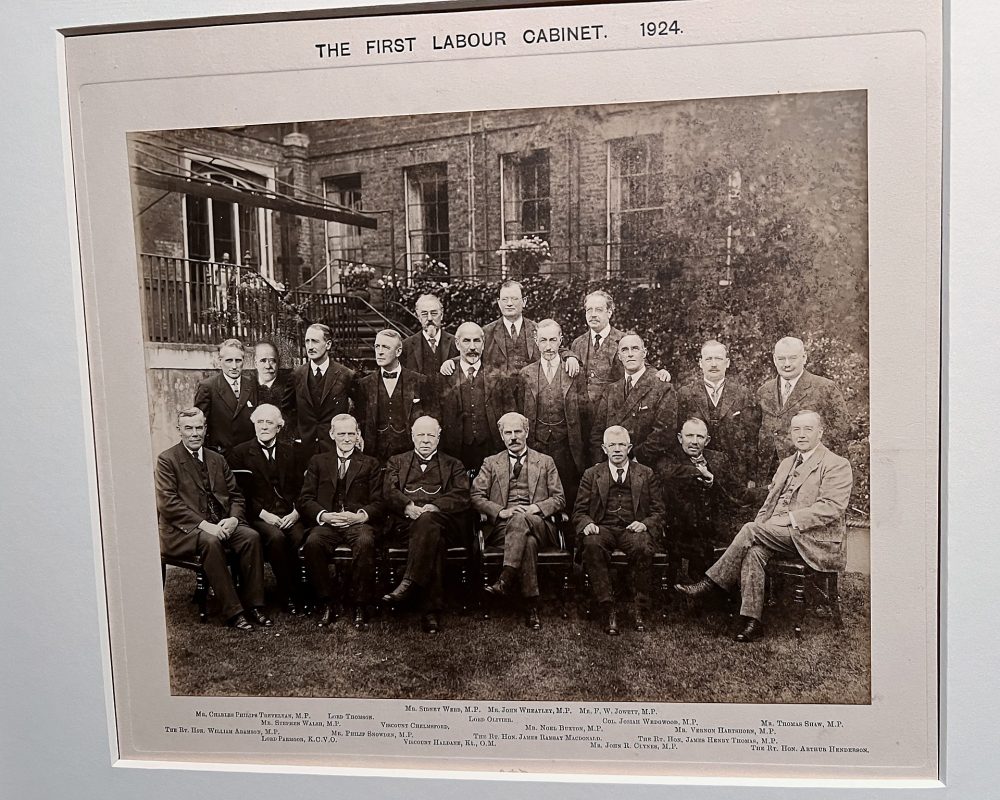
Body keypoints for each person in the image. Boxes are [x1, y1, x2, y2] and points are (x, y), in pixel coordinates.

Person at [676, 410, 853, 643]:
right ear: (790, 433)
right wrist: (764, 524)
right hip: (781, 535)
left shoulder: (836, 464)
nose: (801, 435)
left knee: (750, 530)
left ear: (820, 433)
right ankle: (752, 622)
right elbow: (768, 505)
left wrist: (788, 518)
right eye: (796, 429)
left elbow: (831, 508)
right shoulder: (787, 463)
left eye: (808, 429)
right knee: (754, 551)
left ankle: (710, 584)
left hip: (814, 539)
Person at [155, 408, 271, 630]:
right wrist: (206, 525)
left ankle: (255, 604)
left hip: (221, 523)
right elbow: (168, 504)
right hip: (183, 532)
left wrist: (234, 520)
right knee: (211, 541)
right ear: (179, 431)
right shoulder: (167, 460)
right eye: (189, 428)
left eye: (199, 427)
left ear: (206, 429)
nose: (195, 433)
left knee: (251, 537)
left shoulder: (217, 459)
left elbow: (236, 495)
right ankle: (233, 611)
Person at [472, 412, 565, 630]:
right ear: (502, 436)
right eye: (508, 433)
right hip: (502, 528)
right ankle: (531, 605)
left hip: (539, 524)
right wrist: (500, 511)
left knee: (522, 520)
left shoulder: (545, 461)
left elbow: (559, 498)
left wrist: (536, 508)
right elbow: (476, 496)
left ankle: (505, 578)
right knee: (528, 542)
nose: (513, 437)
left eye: (517, 432)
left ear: (527, 432)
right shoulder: (491, 463)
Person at [382, 416, 472, 634]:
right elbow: (388, 491)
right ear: (412, 436)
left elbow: (461, 495)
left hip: (442, 522)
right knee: (435, 543)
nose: (425, 440)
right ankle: (430, 612)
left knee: (430, 524)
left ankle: (409, 582)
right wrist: (407, 506)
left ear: (438, 437)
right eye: (420, 435)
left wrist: (435, 506)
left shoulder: (454, 464)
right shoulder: (397, 461)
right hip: (405, 526)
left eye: (430, 435)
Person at [574, 426, 665, 635]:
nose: (617, 449)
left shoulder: (645, 473)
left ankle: (639, 607)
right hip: (603, 527)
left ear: (629, 447)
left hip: (632, 528)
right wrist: (587, 523)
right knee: (592, 544)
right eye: (612, 445)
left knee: (643, 545)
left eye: (621, 445)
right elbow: (579, 511)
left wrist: (645, 524)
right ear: (604, 448)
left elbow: (659, 511)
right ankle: (608, 607)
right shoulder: (592, 474)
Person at [298, 414, 384, 630]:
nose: (347, 439)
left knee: (365, 542)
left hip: (357, 523)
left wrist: (360, 515)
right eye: (342, 434)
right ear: (332, 434)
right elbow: (305, 499)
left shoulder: (370, 463)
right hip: (328, 523)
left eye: (351, 434)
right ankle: (327, 601)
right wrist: (324, 515)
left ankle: (360, 604)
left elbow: (379, 501)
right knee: (313, 543)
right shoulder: (318, 461)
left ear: (358, 435)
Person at [227, 404, 308, 614]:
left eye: (269, 422)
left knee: (298, 535)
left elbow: (304, 488)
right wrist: (265, 515)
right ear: (254, 425)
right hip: (259, 515)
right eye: (260, 422)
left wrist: (296, 512)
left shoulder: (292, 452)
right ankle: (288, 594)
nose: (264, 427)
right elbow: (240, 494)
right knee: (276, 537)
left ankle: (302, 590)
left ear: (279, 427)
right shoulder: (239, 453)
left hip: (289, 513)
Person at [439, 280, 580, 385]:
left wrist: (570, 357)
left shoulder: (537, 329)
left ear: (524, 302)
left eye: (514, 299)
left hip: (532, 394)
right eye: (505, 299)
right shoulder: (486, 332)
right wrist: (452, 362)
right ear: (499, 303)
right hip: (499, 398)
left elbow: (555, 348)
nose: (509, 303)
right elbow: (472, 352)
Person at [518, 319, 590, 513]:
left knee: (568, 495)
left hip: (566, 447)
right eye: (543, 340)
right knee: (539, 494)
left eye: (552, 340)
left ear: (561, 340)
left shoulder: (574, 372)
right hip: (537, 445)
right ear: (535, 340)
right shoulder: (526, 374)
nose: (548, 346)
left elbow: (585, 414)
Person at [658, 417, 741, 584]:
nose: (694, 442)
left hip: (712, 526)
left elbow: (736, 492)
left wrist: (769, 490)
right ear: (680, 438)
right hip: (680, 529)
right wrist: (700, 473)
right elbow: (667, 472)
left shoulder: (719, 459)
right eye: (689, 436)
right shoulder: (668, 458)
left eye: (700, 437)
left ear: (707, 440)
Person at [756, 336, 849, 483]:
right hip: (769, 475)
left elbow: (840, 433)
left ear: (804, 358)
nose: (787, 364)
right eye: (781, 359)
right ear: (774, 359)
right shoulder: (764, 391)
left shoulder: (825, 388)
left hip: (809, 472)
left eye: (792, 358)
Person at [676, 340, 761, 489]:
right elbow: (677, 437)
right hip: (696, 472)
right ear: (701, 363)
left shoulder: (743, 394)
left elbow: (751, 440)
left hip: (735, 474)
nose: (713, 364)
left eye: (718, 359)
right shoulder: (686, 394)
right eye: (708, 359)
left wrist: (751, 477)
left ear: (727, 362)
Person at [569, 290, 671, 408]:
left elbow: (641, 366)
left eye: (598, 310)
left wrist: (658, 373)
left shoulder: (624, 340)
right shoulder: (578, 343)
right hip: (583, 412)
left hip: (613, 409)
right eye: (589, 310)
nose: (593, 314)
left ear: (609, 313)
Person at [590, 333, 677, 467]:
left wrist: (636, 460)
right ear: (619, 356)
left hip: (645, 465)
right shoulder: (611, 390)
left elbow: (663, 434)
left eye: (635, 348)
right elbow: (597, 432)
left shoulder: (662, 388)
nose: (630, 354)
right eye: (624, 350)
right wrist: (599, 463)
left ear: (644, 353)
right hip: (611, 466)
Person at [438, 322, 510, 473]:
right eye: (466, 341)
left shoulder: (498, 376)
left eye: (477, 341)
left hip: (490, 449)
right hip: (455, 451)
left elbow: (510, 414)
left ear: (483, 344)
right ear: (457, 344)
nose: (472, 347)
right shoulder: (444, 377)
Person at [354, 330, 434, 464]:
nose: (379, 351)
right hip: (375, 456)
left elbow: (431, 419)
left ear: (398, 352)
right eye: (377, 346)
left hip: (410, 455)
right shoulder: (364, 385)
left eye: (385, 347)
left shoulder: (420, 382)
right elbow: (360, 420)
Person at [284, 323, 356, 460]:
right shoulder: (297, 375)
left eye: (315, 341)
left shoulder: (346, 375)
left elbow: (360, 409)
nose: (310, 347)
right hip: (305, 447)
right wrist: (298, 433)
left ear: (328, 345)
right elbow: (287, 408)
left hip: (335, 447)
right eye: (307, 341)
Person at [193, 338, 257, 458]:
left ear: (244, 360)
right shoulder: (208, 387)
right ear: (220, 361)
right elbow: (199, 424)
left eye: (238, 360)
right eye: (229, 361)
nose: (234, 366)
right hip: (222, 456)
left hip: (249, 456)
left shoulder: (252, 384)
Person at [400, 293, 459, 377]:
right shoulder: (406, 346)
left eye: (434, 313)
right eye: (424, 314)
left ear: (441, 315)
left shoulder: (455, 343)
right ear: (419, 317)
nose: (430, 318)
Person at [251, 340, 293, 441]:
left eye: (272, 361)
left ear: (278, 362)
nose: (268, 366)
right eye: (263, 361)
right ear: (255, 363)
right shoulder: (247, 383)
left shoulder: (291, 384)